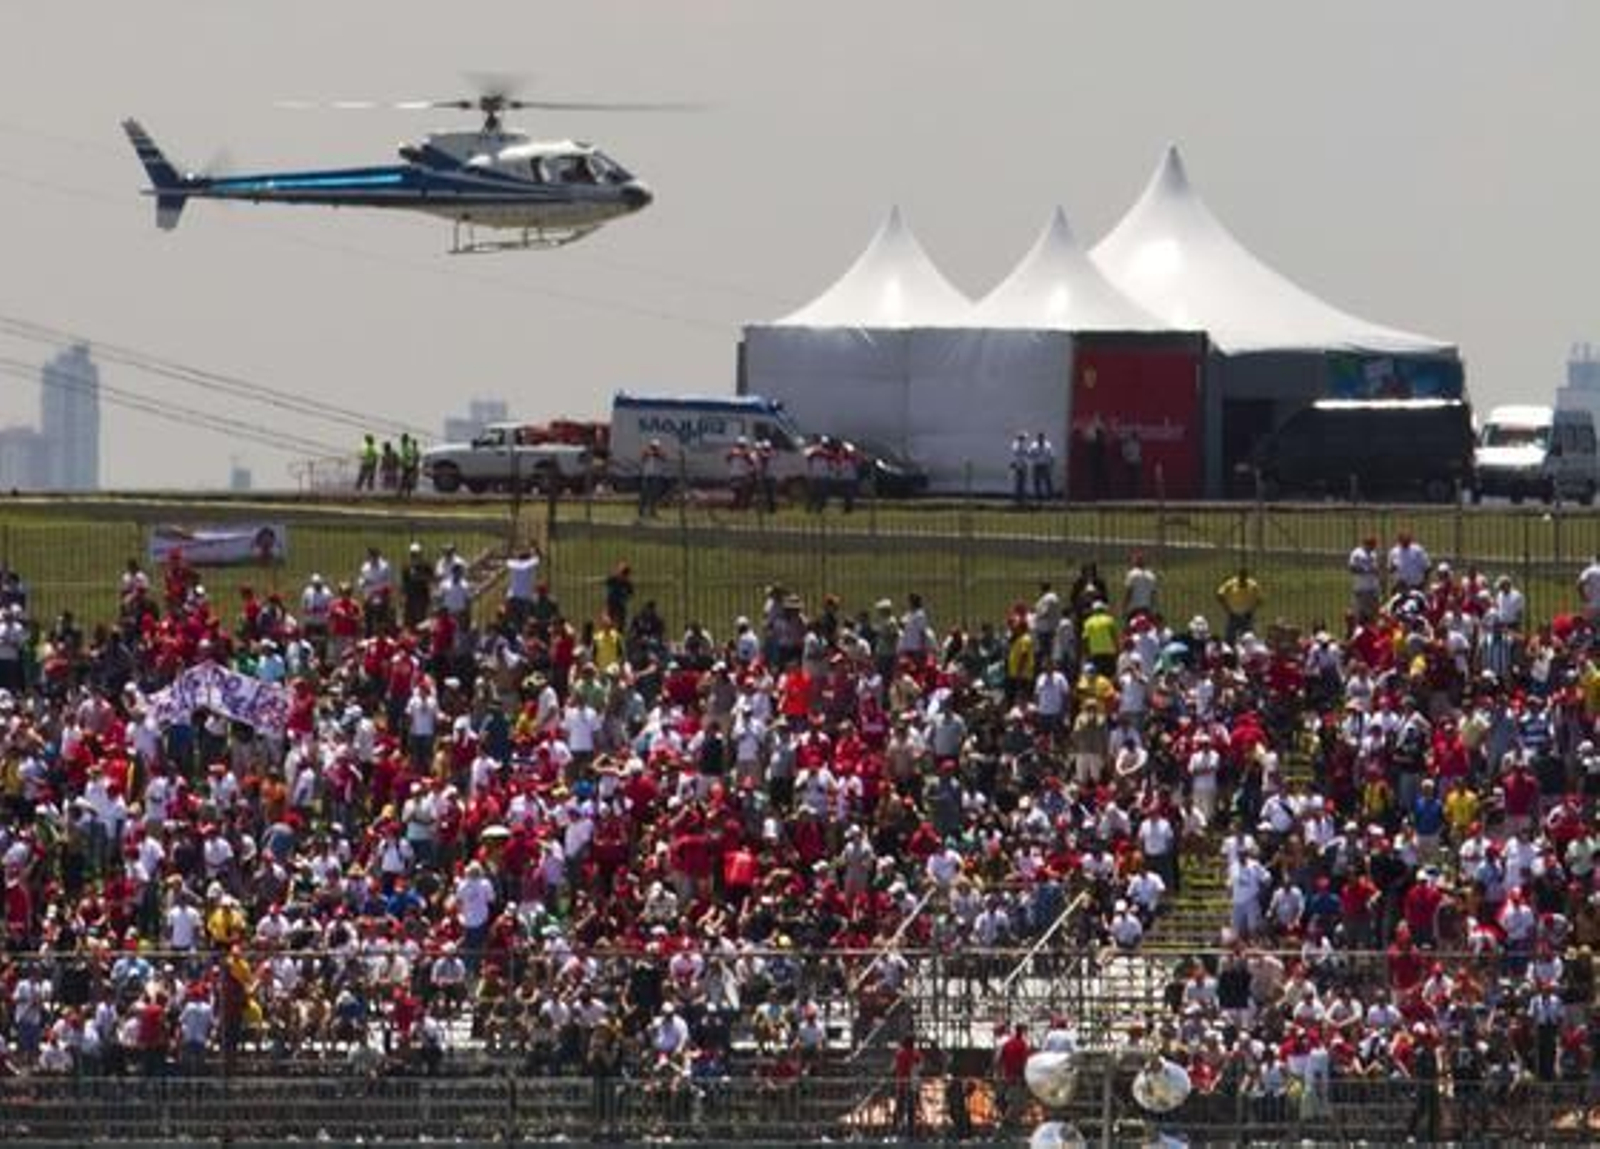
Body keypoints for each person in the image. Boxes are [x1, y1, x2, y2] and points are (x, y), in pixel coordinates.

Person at [1215, 566, 1262, 644]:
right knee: (1229, 639)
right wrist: (1228, 610)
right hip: (1233, 615)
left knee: (1249, 639)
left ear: (1247, 577)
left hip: (1247, 616)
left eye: (1244, 577)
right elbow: (1219, 595)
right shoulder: (1231, 583)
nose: (1242, 580)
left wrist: (1251, 611)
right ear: (1239, 576)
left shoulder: (1253, 584)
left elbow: (1260, 599)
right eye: (1241, 577)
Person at [1348, 535, 1381, 621]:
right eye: (1372, 545)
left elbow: (1375, 569)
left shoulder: (1373, 554)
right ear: (1366, 544)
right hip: (1361, 589)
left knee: (1374, 615)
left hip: (1373, 589)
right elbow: (1352, 568)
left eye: (1374, 545)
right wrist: (1365, 570)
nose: (1374, 547)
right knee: (1361, 615)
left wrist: (1376, 572)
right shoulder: (1357, 553)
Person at [639, 438, 668, 518]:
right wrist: (649, 454)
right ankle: (641, 512)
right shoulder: (646, 453)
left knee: (654, 495)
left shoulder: (661, 454)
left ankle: (652, 511)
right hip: (647, 475)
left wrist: (657, 454)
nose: (654, 448)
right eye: (653, 446)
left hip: (656, 476)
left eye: (655, 447)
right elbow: (643, 457)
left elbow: (664, 457)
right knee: (644, 494)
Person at [1028, 431, 1055, 501]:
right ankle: (1038, 496)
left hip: (1045, 465)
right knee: (1036, 481)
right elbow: (1029, 454)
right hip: (1036, 465)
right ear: (1037, 438)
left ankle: (1050, 496)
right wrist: (1033, 456)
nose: (1040, 438)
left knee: (1048, 481)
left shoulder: (1048, 444)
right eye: (1039, 437)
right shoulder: (1034, 445)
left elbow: (1052, 454)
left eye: (1042, 437)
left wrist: (1051, 462)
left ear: (1044, 437)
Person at [1120, 428, 1143, 498]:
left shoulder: (1137, 443)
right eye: (1134, 435)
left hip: (1136, 463)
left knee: (1137, 481)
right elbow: (1124, 454)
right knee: (1129, 481)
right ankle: (1130, 495)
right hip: (1129, 464)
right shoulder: (1126, 443)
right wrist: (1129, 458)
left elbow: (1138, 453)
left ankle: (1137, 495)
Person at [1009, 432, 1029, 506]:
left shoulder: (1022, 444)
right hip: (1018, 466)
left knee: (1022, 483)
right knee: (1018, 482)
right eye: (1023, 437)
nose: (1024, 439)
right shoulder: (1016, 444)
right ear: (1020, 437)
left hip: (1023, 465)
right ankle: (1017, 498)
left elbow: (1026, 454)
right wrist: (1024, 451)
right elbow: (1016, 452)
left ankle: (1021, 498)